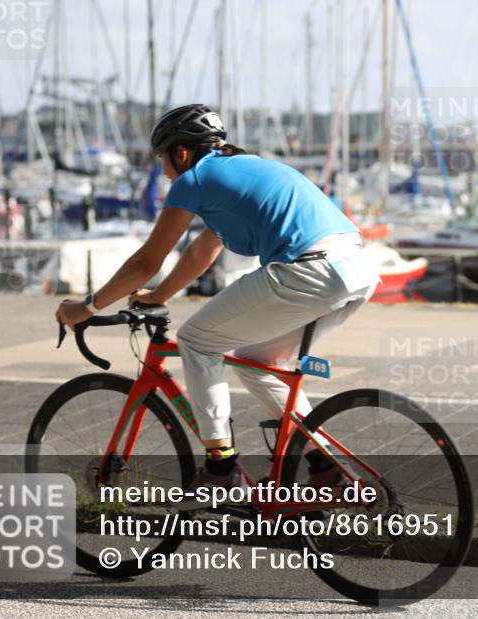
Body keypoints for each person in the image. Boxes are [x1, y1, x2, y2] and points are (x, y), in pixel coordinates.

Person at [55, 104, 379, 507]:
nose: (166, 173)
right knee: (259, 364)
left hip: (308, 270)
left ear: (182, 153)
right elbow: (201, 251)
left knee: (197, 340)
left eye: (164, 161)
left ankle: (221, 470)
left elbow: (145, 262)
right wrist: (159, 296)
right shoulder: (241, 170)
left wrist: (86, 306)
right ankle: (326, 470)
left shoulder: (195, 179)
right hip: (357, 271)